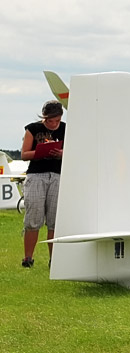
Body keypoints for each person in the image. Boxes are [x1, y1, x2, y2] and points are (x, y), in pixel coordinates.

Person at [20, 100, 65, 268]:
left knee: (54, 219)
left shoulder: (67, 129)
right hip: (36, 175)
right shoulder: (32, 129)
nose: (53, 124)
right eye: (50, 121)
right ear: (44, 117)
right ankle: (28, 258)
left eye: (57, 121)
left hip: (58, 175)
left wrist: (61, 153)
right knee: (33, 218)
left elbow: (75, 151)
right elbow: (24, 154)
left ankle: (54, 259)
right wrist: (40, 152)